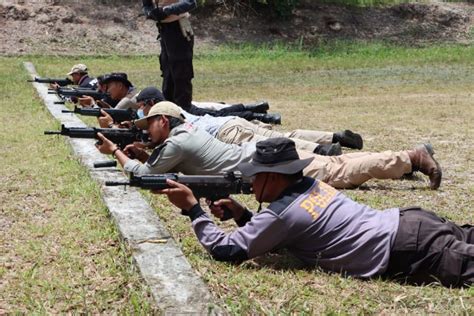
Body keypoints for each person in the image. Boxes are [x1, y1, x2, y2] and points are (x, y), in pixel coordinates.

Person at [155, 138, 473, 288]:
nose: (250, 182)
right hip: (412, 223)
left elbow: (227, 250)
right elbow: (283, 233)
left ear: (275, 178)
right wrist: (241, 215)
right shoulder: (308, 186)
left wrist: (194, 209)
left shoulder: (282, 214)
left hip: (409, 248)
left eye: (255, 176)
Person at [96, 101, 442, 190]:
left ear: (163, 121)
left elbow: (144, 175)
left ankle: (412, 157)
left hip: (268, 163)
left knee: (339, 173)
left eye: (149, 124)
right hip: (263, 157)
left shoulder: (177, 143)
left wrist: (116, 151)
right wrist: (139, 150)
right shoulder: (183, 135)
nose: (146, 130)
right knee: (337, 168)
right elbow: (161, 159)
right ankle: (405, 161)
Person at [135, 88, 363, 155]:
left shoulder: (163, 114)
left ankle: (322, 151)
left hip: (226, 133)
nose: (142, 112)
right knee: (282, 136)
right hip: (231, 123)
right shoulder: (173, 108)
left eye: (143, 106)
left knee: (277, 143)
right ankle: (334, 137)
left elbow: (167, 141)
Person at [142, 0, 197, 112]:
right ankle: (168, 112)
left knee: (181, 75)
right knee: (167, 75)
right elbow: (146, 6)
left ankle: (184, 112)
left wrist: (167, 10)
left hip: (179, 28)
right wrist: (151, 13)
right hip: (164, 30)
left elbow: (191, 2)